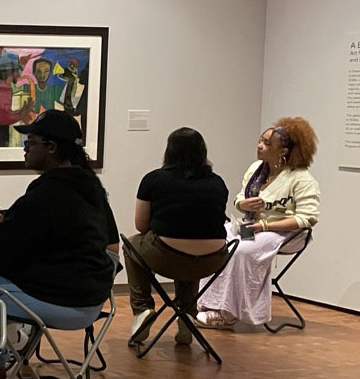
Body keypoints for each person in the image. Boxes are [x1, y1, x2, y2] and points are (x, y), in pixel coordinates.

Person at [0, 110, 118, 379]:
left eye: (30, 142)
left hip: (64, 301)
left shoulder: (48, 193)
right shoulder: (89, 188)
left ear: (52, 148)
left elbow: (1, 255)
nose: (25, 148)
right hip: (91, 300)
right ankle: (7, 352)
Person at [197, 118, 320, 328]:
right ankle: (206, 303)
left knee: (241, 250)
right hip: (251, 225)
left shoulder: (301, 179)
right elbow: (238, 198)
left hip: (285, 233)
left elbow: (307, 218)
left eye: (266, 143)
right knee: (214, 239)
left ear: (283, 151)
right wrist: (243, 203)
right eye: (260, 140)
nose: (259, 146)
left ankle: (227, 313)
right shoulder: (256, 169)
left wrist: (265, 226)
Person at [123, 128, 230, 345]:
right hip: (212, 259)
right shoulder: (217, 182)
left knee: (131, 244)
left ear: (169, 151)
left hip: (166, 256)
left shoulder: (153, 180)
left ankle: (143, 309)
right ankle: (186, 314)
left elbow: (141, 225)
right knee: (191, 253)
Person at [0, 52, 33, 147]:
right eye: (18, 70)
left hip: (1, 130)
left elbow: (6, 112)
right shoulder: (4, 90)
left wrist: (22, 111)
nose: (20, 73)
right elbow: (4, 117)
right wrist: (23, 113)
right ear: (11, 72)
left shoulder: (4, 88)